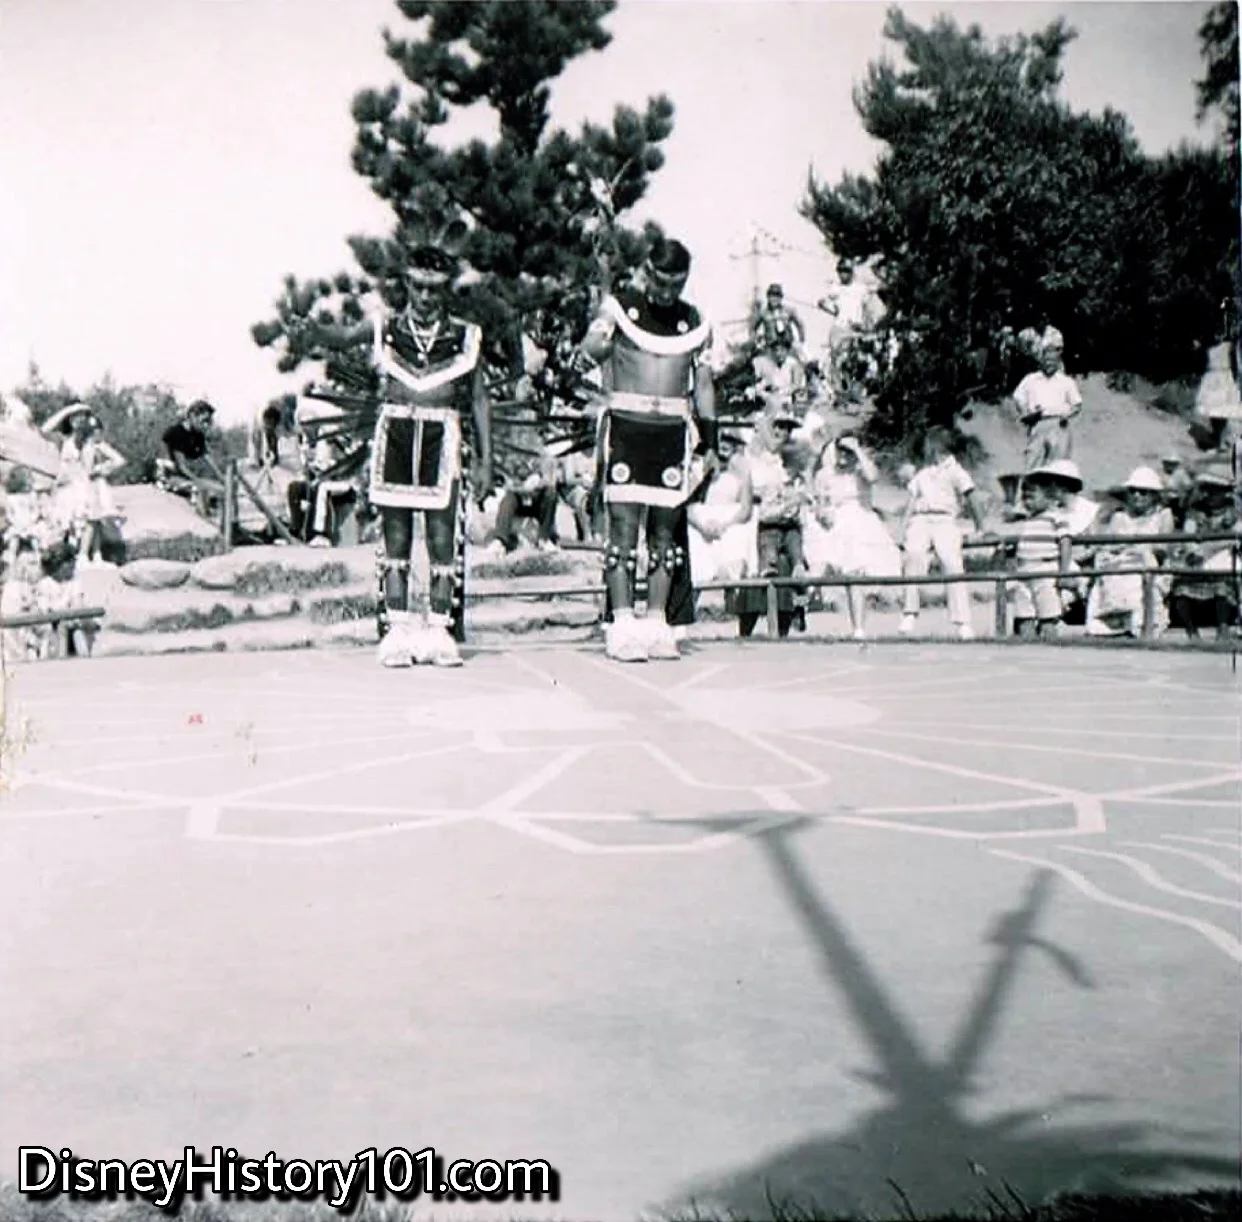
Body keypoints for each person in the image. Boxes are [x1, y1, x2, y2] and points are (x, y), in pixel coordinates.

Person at [578, 235, 717, 662]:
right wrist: (598, 337)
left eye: (675, 284)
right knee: (622, 531)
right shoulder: (619, 306)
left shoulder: (694, 321)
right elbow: (590, 349)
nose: (666, 293)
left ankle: (657, 622)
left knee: (663, 532)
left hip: (672, 433)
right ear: (648, 273)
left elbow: (705, 388)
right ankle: (621, 622)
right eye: (660, 282)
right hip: (627, 428)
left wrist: (711, 444)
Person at [802, 432, 901, 640]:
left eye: (848, 452)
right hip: (836, 523)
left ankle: (858, 628)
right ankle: (807, 599)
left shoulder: (860, 471)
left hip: (862, 522)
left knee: (857, 573)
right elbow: (820, 502)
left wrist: (857, 450)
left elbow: (873, 477)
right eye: (841, 450)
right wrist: (823, 513)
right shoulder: (825, 474)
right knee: (824, 565)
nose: (844, 456)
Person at [898, 426, 988, 640]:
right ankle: (910, 612)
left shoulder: (956, 471)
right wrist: (902, 528)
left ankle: (962, 621)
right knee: (914, 555)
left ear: (938, 446)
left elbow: (972, 498)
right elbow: (912, 501)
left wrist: (980, 527)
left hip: (945, 520)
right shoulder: (923, 472)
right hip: (921, 519)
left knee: (951, 562)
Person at [732, 411, 811, 639]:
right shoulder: (752, 457)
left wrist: (793, 497)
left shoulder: (790, 458)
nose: (781, 433)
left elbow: (801, 485)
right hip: (757, 515)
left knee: (793, 559)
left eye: (786, 428)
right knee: (759, 566)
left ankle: (793, 612)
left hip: (784, 518)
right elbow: (746, 487)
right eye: (776, 427)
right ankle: (746, 627)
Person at [994, 460, 1085, 640]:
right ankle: (1028, 647)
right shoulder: (1027, 521)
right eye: (1025, 497)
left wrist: (1064, 571)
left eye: (1032, 497)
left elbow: (1065, 542)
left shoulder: (1056, 518)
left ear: (1049, 497)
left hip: (1045, 571)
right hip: (1024, 571)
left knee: (1047, 615)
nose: (1027, 502)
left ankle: (1050, 646)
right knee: (1024, 615)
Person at [1086, 466, 1175, 637]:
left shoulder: (1163, 515)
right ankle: (1108, 625)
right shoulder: (1120, 517)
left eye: (1143, 492)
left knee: (1138, 578)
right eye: (1133, 491)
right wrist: (1119, 551)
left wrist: (1138, 549)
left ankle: (1141, 625)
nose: (1137, 496)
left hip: (1150, 564)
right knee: (1108, 574)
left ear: (1154, 495)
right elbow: (1107, 544)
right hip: (1120, 563)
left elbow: (1162, 547)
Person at [40, 403, 126, 565]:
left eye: (81, 416)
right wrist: (68, 409)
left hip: (82, 487)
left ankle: (83, 555)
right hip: (64, 489)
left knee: (89, 514)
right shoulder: (62, 440)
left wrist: (101, 469)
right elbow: (44, 430)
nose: (77, 420)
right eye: (74, 416)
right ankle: (65, 556)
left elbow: (119, 460)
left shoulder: (91, 441)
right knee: (63, 521)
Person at [686, 431, 757, 586]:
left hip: (730, 522)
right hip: (701, 522)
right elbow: (688, 507)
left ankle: (726, 584)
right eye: (721, 440)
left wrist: (725, 525)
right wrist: (702, 526)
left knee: (738, 534)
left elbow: (745, 509)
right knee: (693, 538)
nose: (724, 445)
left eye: (730, 441)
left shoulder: (742, 471)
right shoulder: (698, 468)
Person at [1011, 326, 1082, 471]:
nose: (1049, 363)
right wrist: (1025, 413)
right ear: (1040, 361)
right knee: (1033, 465)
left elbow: (1077, 405)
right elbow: (1018, 398)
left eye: (1052, 361)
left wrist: (1065, 416)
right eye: (1046, 360)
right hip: (1038, 424)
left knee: (1058, 468)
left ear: (1057, 362)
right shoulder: (1030, 379)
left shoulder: (1066, 381)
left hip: (1059, 425)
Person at [162, 400, 226, 517]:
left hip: (189, 473)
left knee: (224, 489)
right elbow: (181, 466)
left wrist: (221, 477)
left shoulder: (198, 433)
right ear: (192, 416)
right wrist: (199, 480)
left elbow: (206, 456)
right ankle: (207, 521)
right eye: (204, 421)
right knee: (204, 488)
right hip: (174, 475)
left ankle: (227, 525)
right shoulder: (176, 433)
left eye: (208, 422)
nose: (206, 425)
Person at [487, 453, 559, 555]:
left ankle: (544, 539)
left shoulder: (545, 458)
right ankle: (500, 540)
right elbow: (507, 484)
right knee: (509, 499)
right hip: (519, 500)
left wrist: (538, 483)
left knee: (551, 494)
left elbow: (550, 482)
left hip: (537, 502)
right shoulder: (512, 457)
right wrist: (524, 487)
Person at [752, 334, 807, 419]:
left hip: (790, 399)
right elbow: (767, 381)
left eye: (782, 350)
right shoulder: (772, 365)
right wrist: (759, 389)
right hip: (774, 398)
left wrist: (781, 391)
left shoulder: (793, 364)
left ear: (787, 351)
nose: (778, 353)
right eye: (776, 350)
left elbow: (797, 385)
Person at [753, 283, 806, 357]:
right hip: (770, 346)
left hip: (788, 345)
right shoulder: (763, 313)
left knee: (803, 357)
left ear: (781, 298)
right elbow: (753, 327)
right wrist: (757, 341)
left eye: (777, 296)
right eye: (772, 296)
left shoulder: (789, 310)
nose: (774, 299)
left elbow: (799, 324)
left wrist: (801, 340)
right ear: (768, 297)